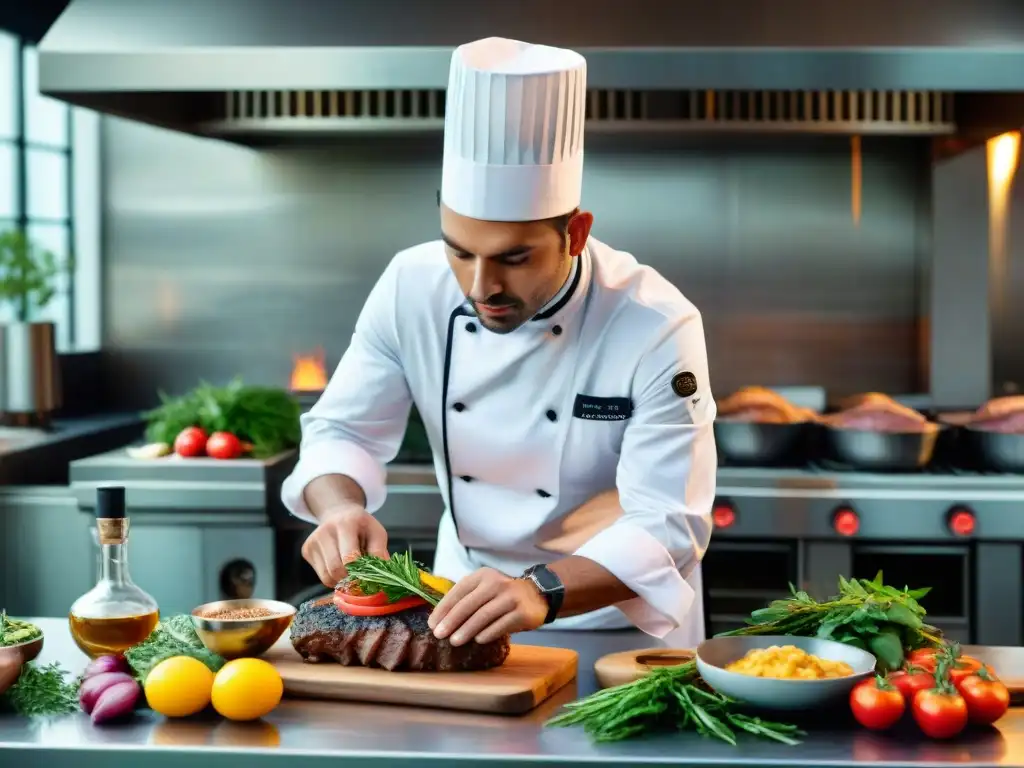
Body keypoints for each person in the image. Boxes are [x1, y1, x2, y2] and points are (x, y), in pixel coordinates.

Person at [281, 36, 717, 648]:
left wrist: (540, 590)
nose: (482, 286)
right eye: (459, 251)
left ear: (576, 233)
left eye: (514, 257)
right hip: (455, 612)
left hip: (618, 625)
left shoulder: (654, 324)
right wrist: (337, 508)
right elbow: (342, 431)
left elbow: (670, 524)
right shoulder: (410, 285)